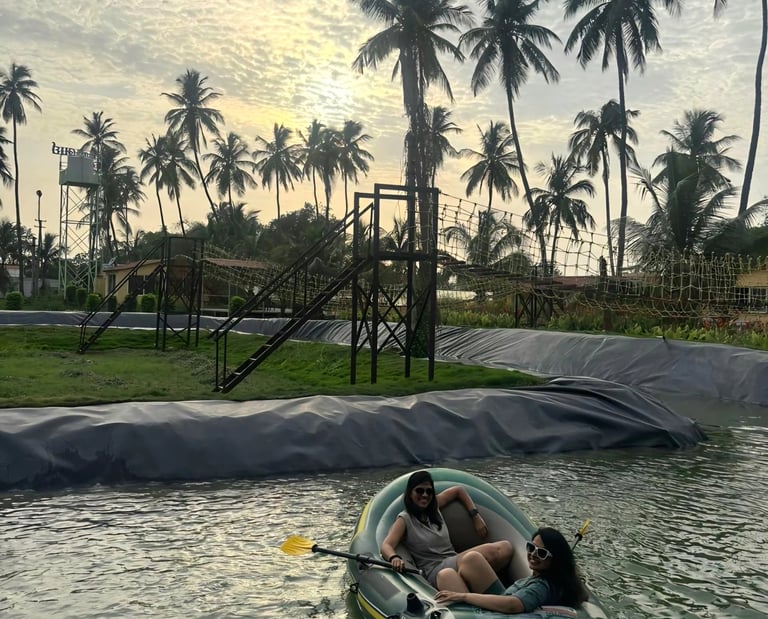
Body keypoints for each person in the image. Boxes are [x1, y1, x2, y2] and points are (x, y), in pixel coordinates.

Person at [381, 470, 513, 592]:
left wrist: (475, 515)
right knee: (468, 562)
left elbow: (458, 490)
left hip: (452, 558)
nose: (425, 495)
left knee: (504, 548)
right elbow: (387, 544)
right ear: (410, 493)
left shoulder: (434, 507)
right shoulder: (405, 519)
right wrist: (394, 557)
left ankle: (494, 597)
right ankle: (496, 599)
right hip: (434, 571)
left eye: (429, 491)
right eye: (419, 491)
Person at [433, 527, 589, 614]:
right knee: (470, 559)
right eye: (531, 547)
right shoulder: (556, 579)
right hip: (503, 599)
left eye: (541, 553)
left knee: (445, 575)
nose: (533, 554)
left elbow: (513, 605)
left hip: (495, 614)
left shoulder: (543, 586)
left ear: (554, 559)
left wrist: (464, 596)